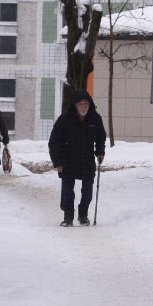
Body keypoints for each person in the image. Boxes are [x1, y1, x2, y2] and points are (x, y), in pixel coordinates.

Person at [48, 91, 106, 225]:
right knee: (67, 190)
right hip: (68, 159)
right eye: (81, 104)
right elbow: (54, 141)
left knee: (87, 190)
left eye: (86, 104)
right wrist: (57, 161)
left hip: (87, 160)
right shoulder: (65, 119)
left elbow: (101, 137)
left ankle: (83, 214)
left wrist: (100, 152)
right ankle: (68, 217)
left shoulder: (95, 118)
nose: (84, 107)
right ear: (75, 105)